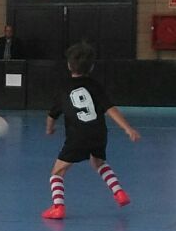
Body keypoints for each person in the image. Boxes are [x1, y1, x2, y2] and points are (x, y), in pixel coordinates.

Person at [42, 41, 140, 221]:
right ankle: (119, 193)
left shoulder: (64, 88)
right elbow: (111, 109)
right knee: (98, 162)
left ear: (69, 65)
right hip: (99, 134)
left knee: (57, 173)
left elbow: (52, 114)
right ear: (92, 67)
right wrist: (128, 128)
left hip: (77, 137)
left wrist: (49, 128)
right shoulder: (96, 86)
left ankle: (58, 207)